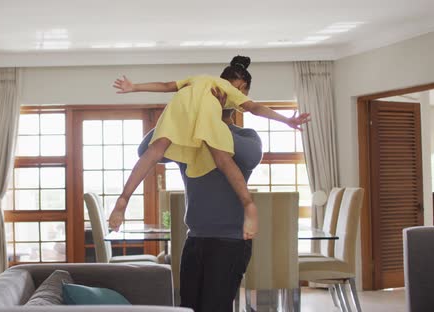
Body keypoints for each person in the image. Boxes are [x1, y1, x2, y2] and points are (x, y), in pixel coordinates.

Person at [109, 55, 310, 240]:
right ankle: (249, 205)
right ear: (241, 87)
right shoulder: (230, 91)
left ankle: (124, 198)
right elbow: (255, 108)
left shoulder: (198, 79)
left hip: (179, 105)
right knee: (223, 158)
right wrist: (286, 120)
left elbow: (166, 85)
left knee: (156, 150)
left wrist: (134, 87)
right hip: (198, 235)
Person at [138, 105, 261, 312]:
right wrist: (177, 109)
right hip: (194, 240)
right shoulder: (189, 142)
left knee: (215, 307)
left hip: (230, 242)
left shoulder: (245, 137)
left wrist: (210, 125)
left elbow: (251, 157)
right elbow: (144, 150)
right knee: (189, 308)